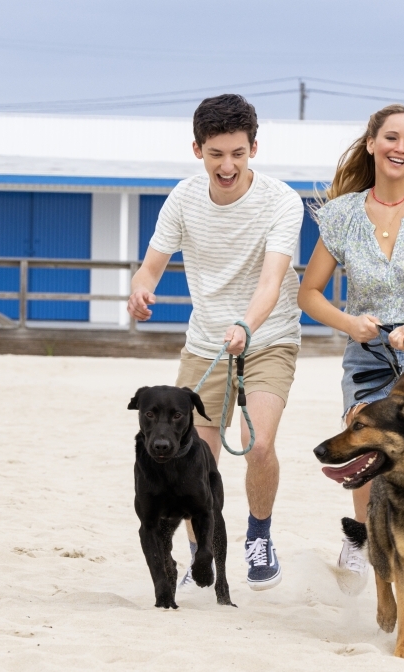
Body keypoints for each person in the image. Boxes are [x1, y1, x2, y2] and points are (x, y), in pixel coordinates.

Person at [128, 94, 304, 592]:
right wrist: (141, 290)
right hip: (205, 346)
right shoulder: (182, 199)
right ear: (197, 149)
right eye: (216, 154)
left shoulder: (281, 201)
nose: (227, 166)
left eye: (237, 154)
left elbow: (272, 281)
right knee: (191, 461)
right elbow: (151, 266)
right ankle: (198, 552)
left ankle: (259, 535)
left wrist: (246, 325)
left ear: (253, 149)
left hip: (266, 340)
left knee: (259, 444)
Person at [298, 104, 404, 594]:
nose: (401, 148)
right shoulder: (342, 214)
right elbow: (309, 294)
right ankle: (371, 547)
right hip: (369, 355)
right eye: (391, 138)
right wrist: (351, 323)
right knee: (369, 455)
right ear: (371, 143)